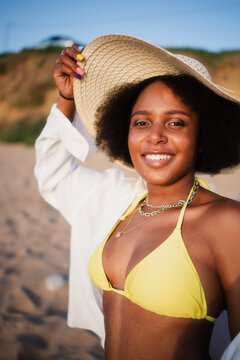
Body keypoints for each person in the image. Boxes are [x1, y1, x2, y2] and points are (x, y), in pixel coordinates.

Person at [34, 34, 240, 359]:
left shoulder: (227, 223)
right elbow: (53, 174)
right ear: (124, 132)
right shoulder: (113, 198)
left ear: (202, 138)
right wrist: (66, 98)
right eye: (141, 122)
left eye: (176, 122)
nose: (155, 136)